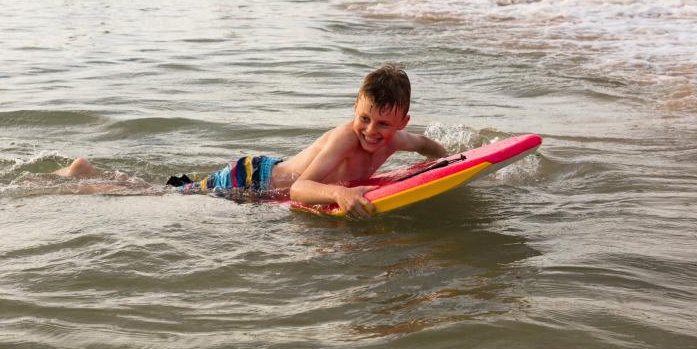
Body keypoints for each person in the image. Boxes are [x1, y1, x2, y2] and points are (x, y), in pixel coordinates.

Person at [55, 64, 448, 219]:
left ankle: (94, 174)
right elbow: (300, 188)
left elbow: (429, 147)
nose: (370, 130)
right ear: (354, 110)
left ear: (401, 122)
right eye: (363, 117)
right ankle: (86, 174)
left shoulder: (399, 140)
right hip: (250, 179)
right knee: (159, 196)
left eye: (382, 123)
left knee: (171, 190)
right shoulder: (346, 137)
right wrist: (341, 195)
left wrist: (452, 161)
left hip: (265, 177)